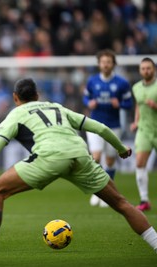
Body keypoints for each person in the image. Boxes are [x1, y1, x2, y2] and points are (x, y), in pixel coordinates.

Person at [0, 78, 157, 265]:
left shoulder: (16, 114)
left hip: (49, 158)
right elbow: (99, 128)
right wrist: (120, 149)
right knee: (121, 203)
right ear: (37, 95)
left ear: (15, 98)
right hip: (81, 156)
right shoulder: (57, 107)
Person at [83, 49, 132, 207]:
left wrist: (120, 104)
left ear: (113, 64)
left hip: (113, 125)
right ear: (99, 64)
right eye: (103, 62)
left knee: (110, 160)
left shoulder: (122, 83)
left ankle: (108, 192)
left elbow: (129, 103)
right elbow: (86, 97)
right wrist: (88, 103)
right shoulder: (92, 81)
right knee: (96, 157)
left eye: (108, 62)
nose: (105, 65)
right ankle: (97, 192)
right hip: (95, 124)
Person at [130, 57, 157, 212]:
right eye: (143, 68)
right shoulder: (136, 88)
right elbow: (139, 106)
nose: (146, 71)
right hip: (144, 130)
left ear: (154, 69)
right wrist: (136, 121)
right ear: (140, 71)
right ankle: (144, 200)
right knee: (139, 162)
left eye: (148, 68)